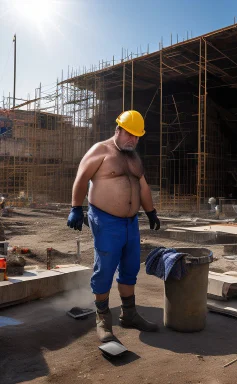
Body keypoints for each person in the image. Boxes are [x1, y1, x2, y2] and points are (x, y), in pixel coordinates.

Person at [67, 110, 160, 342]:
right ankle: (103, 319)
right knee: (105, 267)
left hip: (131, 223)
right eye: (130, 134)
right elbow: (81, 177)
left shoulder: (134, 157)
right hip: (106, 220)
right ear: (117, 130)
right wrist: (76, 208)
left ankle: (129, 314)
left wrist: (151, 211)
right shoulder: (101, 150)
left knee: (130, 268)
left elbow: (144, 187)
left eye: (138, 136)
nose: (133, 140)